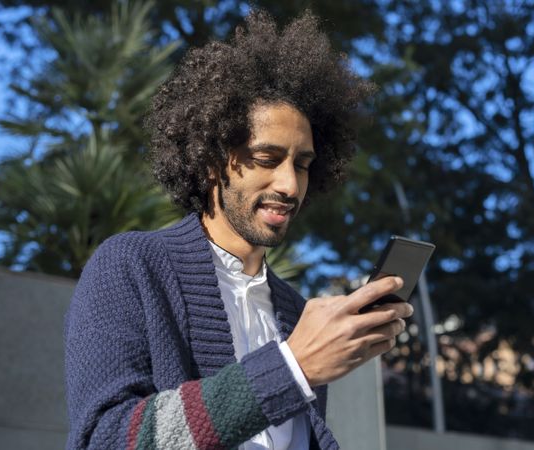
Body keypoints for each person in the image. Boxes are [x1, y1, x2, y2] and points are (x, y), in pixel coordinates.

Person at [64, 9, 413, 450]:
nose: (289, 185)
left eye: (303, 165)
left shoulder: (293, 311)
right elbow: (104, 439)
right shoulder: (131, 267)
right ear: (212, 159)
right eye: (267, 159)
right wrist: (291, 368)